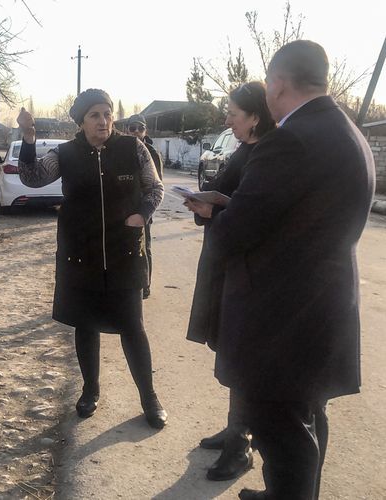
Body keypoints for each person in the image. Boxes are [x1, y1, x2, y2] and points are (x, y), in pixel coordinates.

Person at [188, 41, 374, 499]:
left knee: (282, 436)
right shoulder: (348, 132)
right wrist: (233, 206)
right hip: (323, 307)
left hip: (282, 321)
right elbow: (296, 218)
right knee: (307, 420)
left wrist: (217, 213)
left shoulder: (290, 140)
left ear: (277, 83)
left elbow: (234, 235)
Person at [16, 89, 167, 428]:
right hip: (80, 254)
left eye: (107, 114)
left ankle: (150, 397)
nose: (103, 121)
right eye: (94, 115)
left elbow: (155, 188)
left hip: (124, 252)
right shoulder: (65, 153)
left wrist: (141, 215)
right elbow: (32, 177)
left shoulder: (133, 148)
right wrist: (28, 137)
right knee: (85, 325)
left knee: (133, 327)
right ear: (81, 121)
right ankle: (90, 390)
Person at [184, 81, 275, 482]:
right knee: (229, 349)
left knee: (240, 357)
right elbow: (227, 195)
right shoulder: (243, 149)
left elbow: (255, 220)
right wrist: (204, 203)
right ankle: (236, 428)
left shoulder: (267, 154)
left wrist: (214, 210)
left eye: (233, 114)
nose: (226, 121)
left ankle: (241, 446)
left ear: (254, 116)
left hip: (243, 271)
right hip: (223, 263)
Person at [127, 114, 163, 299]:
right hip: (125, 208)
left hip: (143, 207)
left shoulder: (151, 153)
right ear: (127, 130)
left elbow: (157, 184)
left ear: (145, 131)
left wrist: (146, 210)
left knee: (145, 247)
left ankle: (145, 285)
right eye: (132, 128)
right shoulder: (122, 150)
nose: (136, 131)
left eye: (140, 128)